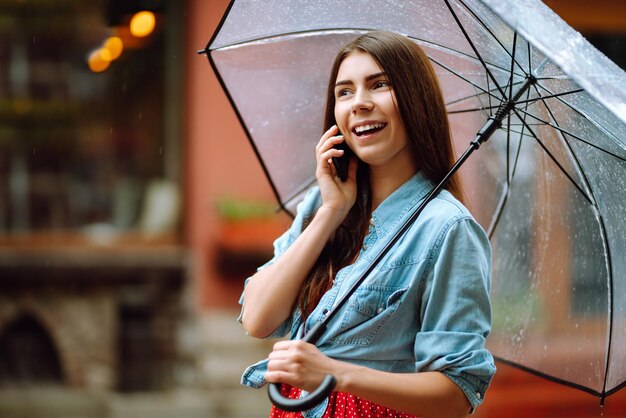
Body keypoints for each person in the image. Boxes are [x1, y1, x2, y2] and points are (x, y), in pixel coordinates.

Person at [238, 31, 495, 418]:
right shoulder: (323, 203)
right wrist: (330, 213)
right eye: (344, 91)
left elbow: (457, 394)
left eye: (379, 85)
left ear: (415, 100)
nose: (359, 103)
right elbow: (258, 319)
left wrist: (336, 373)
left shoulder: (447, 228)